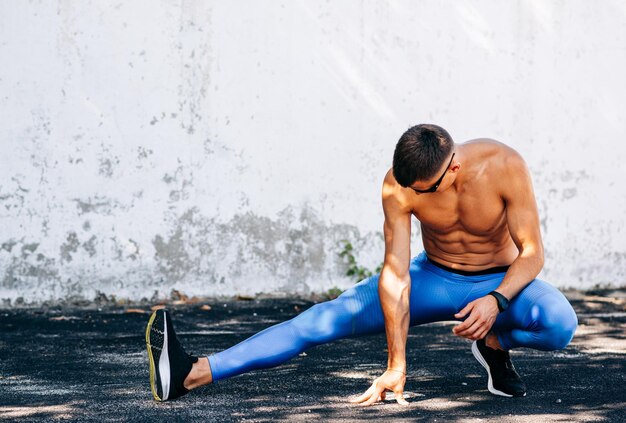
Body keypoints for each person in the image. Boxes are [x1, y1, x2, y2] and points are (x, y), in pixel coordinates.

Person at [145, 123, 578, 404]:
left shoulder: (505, 165)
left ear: (455, 167)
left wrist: (496, 302)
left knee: (559, 324)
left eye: (425, 191)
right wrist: (396, 364)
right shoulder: (400, 184)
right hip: (436, 277)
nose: (417, 197)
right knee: (320, 321)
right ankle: (191, 373)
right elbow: (395, 274)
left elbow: (532, 253)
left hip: (500, 280)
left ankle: (494, 347)